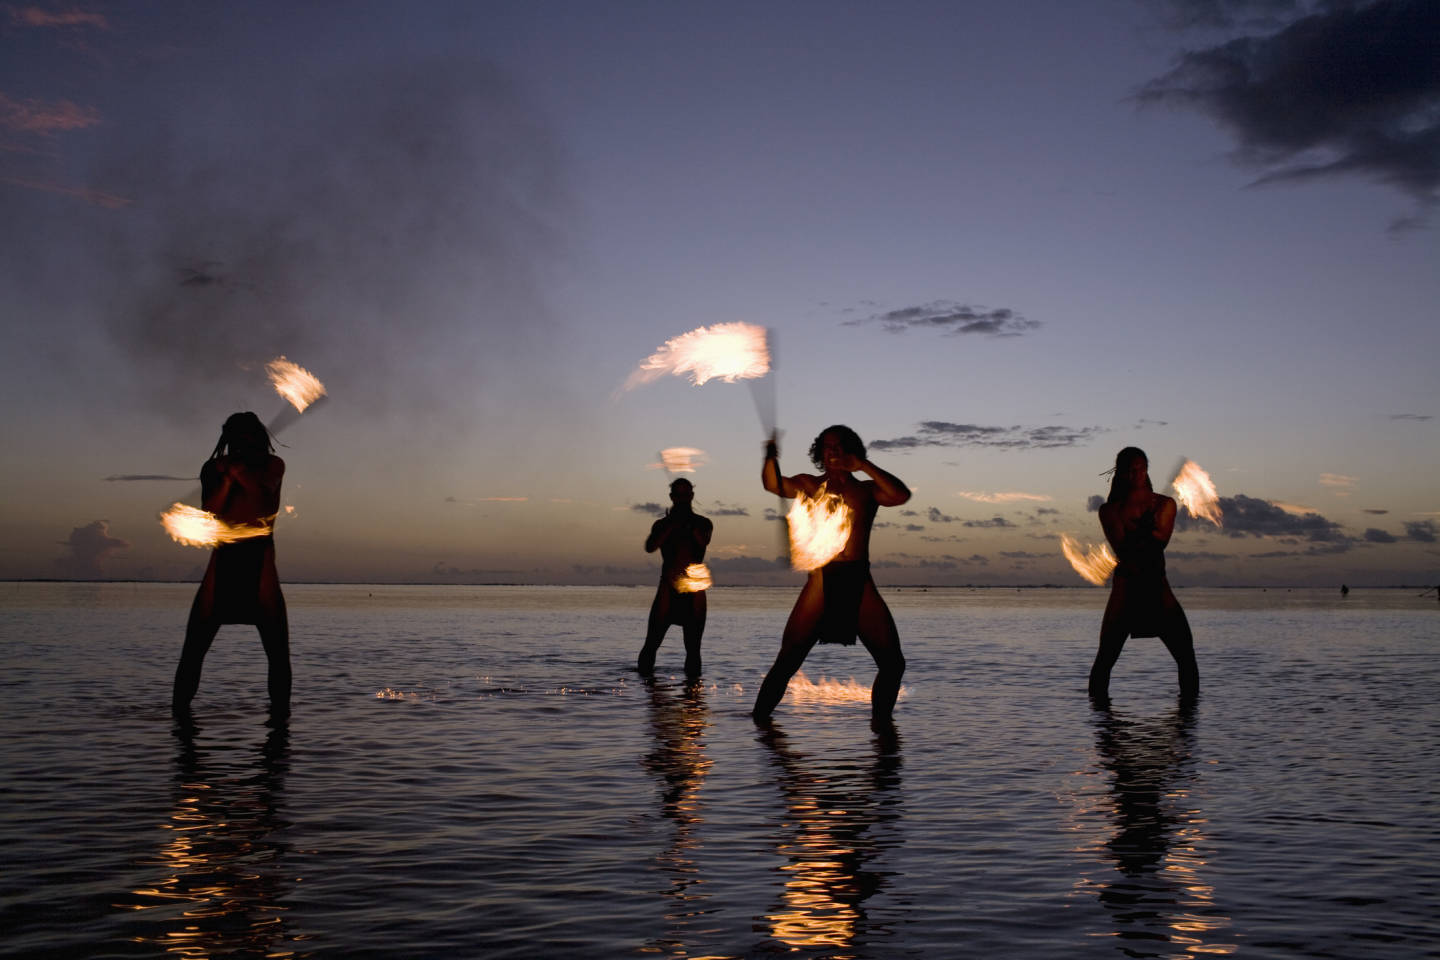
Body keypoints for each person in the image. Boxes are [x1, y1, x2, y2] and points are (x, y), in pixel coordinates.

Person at [752, 425, 909, 728]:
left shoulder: (866, 490)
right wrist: (770, 455)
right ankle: (759, 725)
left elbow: (900, 495)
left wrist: (863, 466)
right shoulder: (809, 485)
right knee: (787, 661)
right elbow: (772, 485)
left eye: (839, 446)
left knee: (892, 664)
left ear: (851, 450)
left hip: (859, 580)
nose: (833, 451)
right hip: (821, 582)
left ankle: (881, 728)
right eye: (827, 446)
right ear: (820, 453)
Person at [172, 412, 291, 719]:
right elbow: (210, 512)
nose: (239, 444)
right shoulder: (213, 468)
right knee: (193, 652)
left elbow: (264, 498)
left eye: (244, 437)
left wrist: (239, 474)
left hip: (261, 565)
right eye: (233, 437)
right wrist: (225, 481)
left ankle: (280, 724)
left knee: (278, 655)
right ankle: (179, 719)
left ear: (255, 437)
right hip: (222, 564)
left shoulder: (273, 466)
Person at [1088, 447, 1199, 701]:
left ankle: (1189, 718)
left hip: (1157, 590)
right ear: (1120, 473)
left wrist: (1148, 532)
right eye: (1128, 469)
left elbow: (1160, 542)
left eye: (1138, 468)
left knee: (1186, 656)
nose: (1134, 473)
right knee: (1105, 659)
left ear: (1146, 470)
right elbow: (1123, 547)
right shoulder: (1109, 511)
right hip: (1125, 593)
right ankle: (1100, 722)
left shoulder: (1165, 504)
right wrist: (1145, 533)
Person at [637, 478, 713, 679]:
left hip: (694, 588)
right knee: (651, 644)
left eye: (686, 495)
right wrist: (672, 525)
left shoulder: (702, 522)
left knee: (694, 649)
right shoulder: (662, 524)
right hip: (668, 587)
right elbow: (650, 547)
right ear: (672, 497)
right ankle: (647, 691)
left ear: (692, 496)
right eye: (678, 495)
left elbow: (703, 540)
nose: (682, 499)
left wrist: (686, 524)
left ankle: (693, 697)